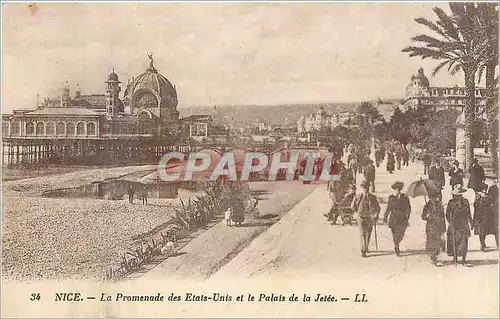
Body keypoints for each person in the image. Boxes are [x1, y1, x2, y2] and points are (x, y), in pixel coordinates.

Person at [446, 184, 474, 267]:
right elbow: (447, 214)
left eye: (458, 195)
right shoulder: (451, 202)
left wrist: (471, 222)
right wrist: (450, 222)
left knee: (464, 242)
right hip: (454, 225)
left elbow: (469, 213)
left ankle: (464, 260)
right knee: (454, 242)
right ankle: (455, 259)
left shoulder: (465, 201)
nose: (456, 196)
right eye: (455, 195)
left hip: (464, 225)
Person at [351, 180, 381, 258]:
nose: (365, 189)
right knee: (362, 234)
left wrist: (375, 215)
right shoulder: (358, 196)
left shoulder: (373, 197)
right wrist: (355, 213)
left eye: (366, 188)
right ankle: (363, 250)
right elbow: (352, 206)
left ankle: (366, 247)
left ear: (369, 188)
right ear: (361, 188)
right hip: (360, 217)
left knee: (368, 233)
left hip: (369, 217)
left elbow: (378, 208)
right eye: (364, 188)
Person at [383, 181, 411, 256]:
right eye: (396, 189)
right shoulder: (391, 198)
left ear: (401, 190)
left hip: (402, 218)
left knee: (401, 234)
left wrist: (407, 216)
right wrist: (385, 217)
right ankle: (397, 247)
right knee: (395, 234)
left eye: (399, 189)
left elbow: (408, 208)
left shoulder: (405, 197)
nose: (397, 191)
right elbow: (388, 208)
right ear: (394, 190)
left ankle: (397, 243)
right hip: (394, 219)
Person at [421, 192, 446, 266]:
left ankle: (434, 256)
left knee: (438, 243)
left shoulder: (439, 205)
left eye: (435, 197)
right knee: (431, 242)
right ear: (430, 198)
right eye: (432, 197)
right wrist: (427, 216)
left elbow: (442, 217)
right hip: (430, 227)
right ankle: (433, 258)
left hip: (438, 226)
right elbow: (423, 216)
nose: (434, 199)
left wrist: (443, 228)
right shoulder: (427, 206)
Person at [473, 183, 498, 251]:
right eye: (484, 189)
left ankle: (483, 244)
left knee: (485, 231)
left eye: (485, 189)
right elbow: (475, 206)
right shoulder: (478, 196)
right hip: (480, 216)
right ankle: (482, 245)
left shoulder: (487, 196)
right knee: (481, 231)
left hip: (487, 216)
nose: (485, 191)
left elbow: (491, 204)